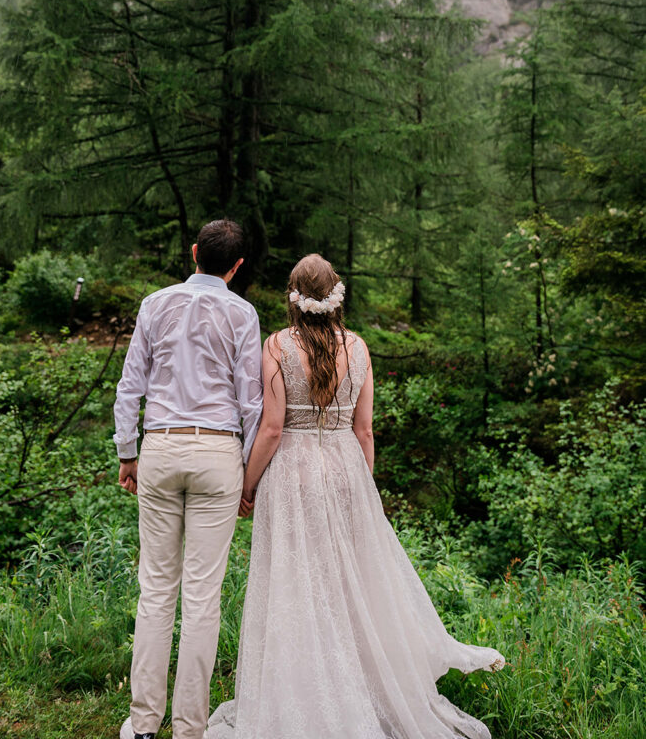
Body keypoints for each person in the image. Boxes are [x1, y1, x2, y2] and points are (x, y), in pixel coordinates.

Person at [205, 253, 504, 739]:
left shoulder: (278, 345)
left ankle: (305, 692)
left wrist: (247, 483)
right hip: (345, 468)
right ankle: (363, 684)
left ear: (293, 296)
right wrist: (365, 487)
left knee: (296, 586)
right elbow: (364, 431)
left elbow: (274, 428)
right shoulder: (360, 348)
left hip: (294, 475)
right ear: (337, 294)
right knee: (349, 585)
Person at [114, 219, 263, 739]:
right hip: (219, 452)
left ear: (194, 252)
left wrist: (127, 452)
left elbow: (130, 384)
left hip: (160, 445)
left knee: (156, 590)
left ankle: (142, 724)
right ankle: (191, 729)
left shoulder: (154, 304)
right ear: (237, 266)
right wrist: (248, 476)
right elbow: (252, 402)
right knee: (203, 597)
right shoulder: (243, 313)